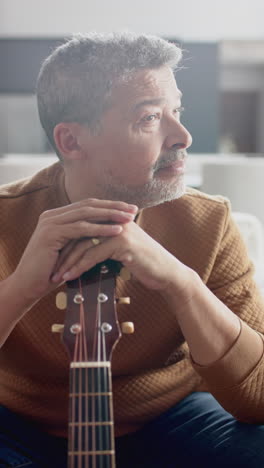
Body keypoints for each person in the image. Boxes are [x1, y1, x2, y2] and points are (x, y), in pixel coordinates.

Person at [0, 32, 264, 468]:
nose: (183, 136)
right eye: (149, 118)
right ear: (71, 141)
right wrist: (24, 284)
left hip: (172, 420)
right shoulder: (5, 218)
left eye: (176, 112)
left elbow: (257, 400)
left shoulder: (209, 223)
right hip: (20, 426)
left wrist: (181, 282)